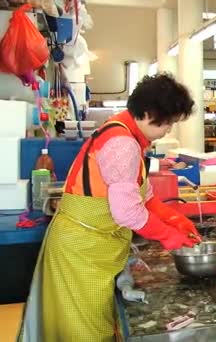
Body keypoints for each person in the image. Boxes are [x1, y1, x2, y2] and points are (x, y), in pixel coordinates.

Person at [19, 74, 202, 341]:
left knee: (95, 323)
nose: (169, 130)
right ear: (150, 113)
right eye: (169, 122)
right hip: (81, 251)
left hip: (95, 246)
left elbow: (146, 199)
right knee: (86, 330)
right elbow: (128, 212)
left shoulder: (128, 135)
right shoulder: (122, 144)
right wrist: (168, 236)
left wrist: (175, 220)